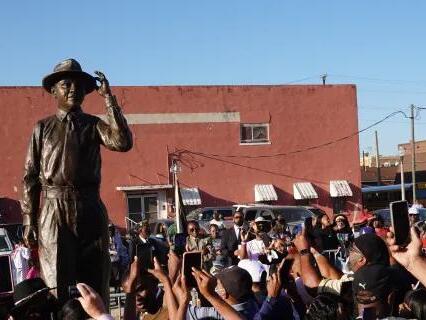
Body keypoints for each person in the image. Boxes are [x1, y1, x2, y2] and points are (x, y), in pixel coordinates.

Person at [20, 59, 133, 304]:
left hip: (89, 206)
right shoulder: (42, 128)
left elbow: (122, 142)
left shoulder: (93, 125)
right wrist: (29, 220)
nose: (73, 89)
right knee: (56, 281)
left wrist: (109, 100)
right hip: (54, 209)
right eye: (66, 84)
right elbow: (30, 177)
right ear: (54, 91)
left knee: (95, 277)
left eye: (79, 85)